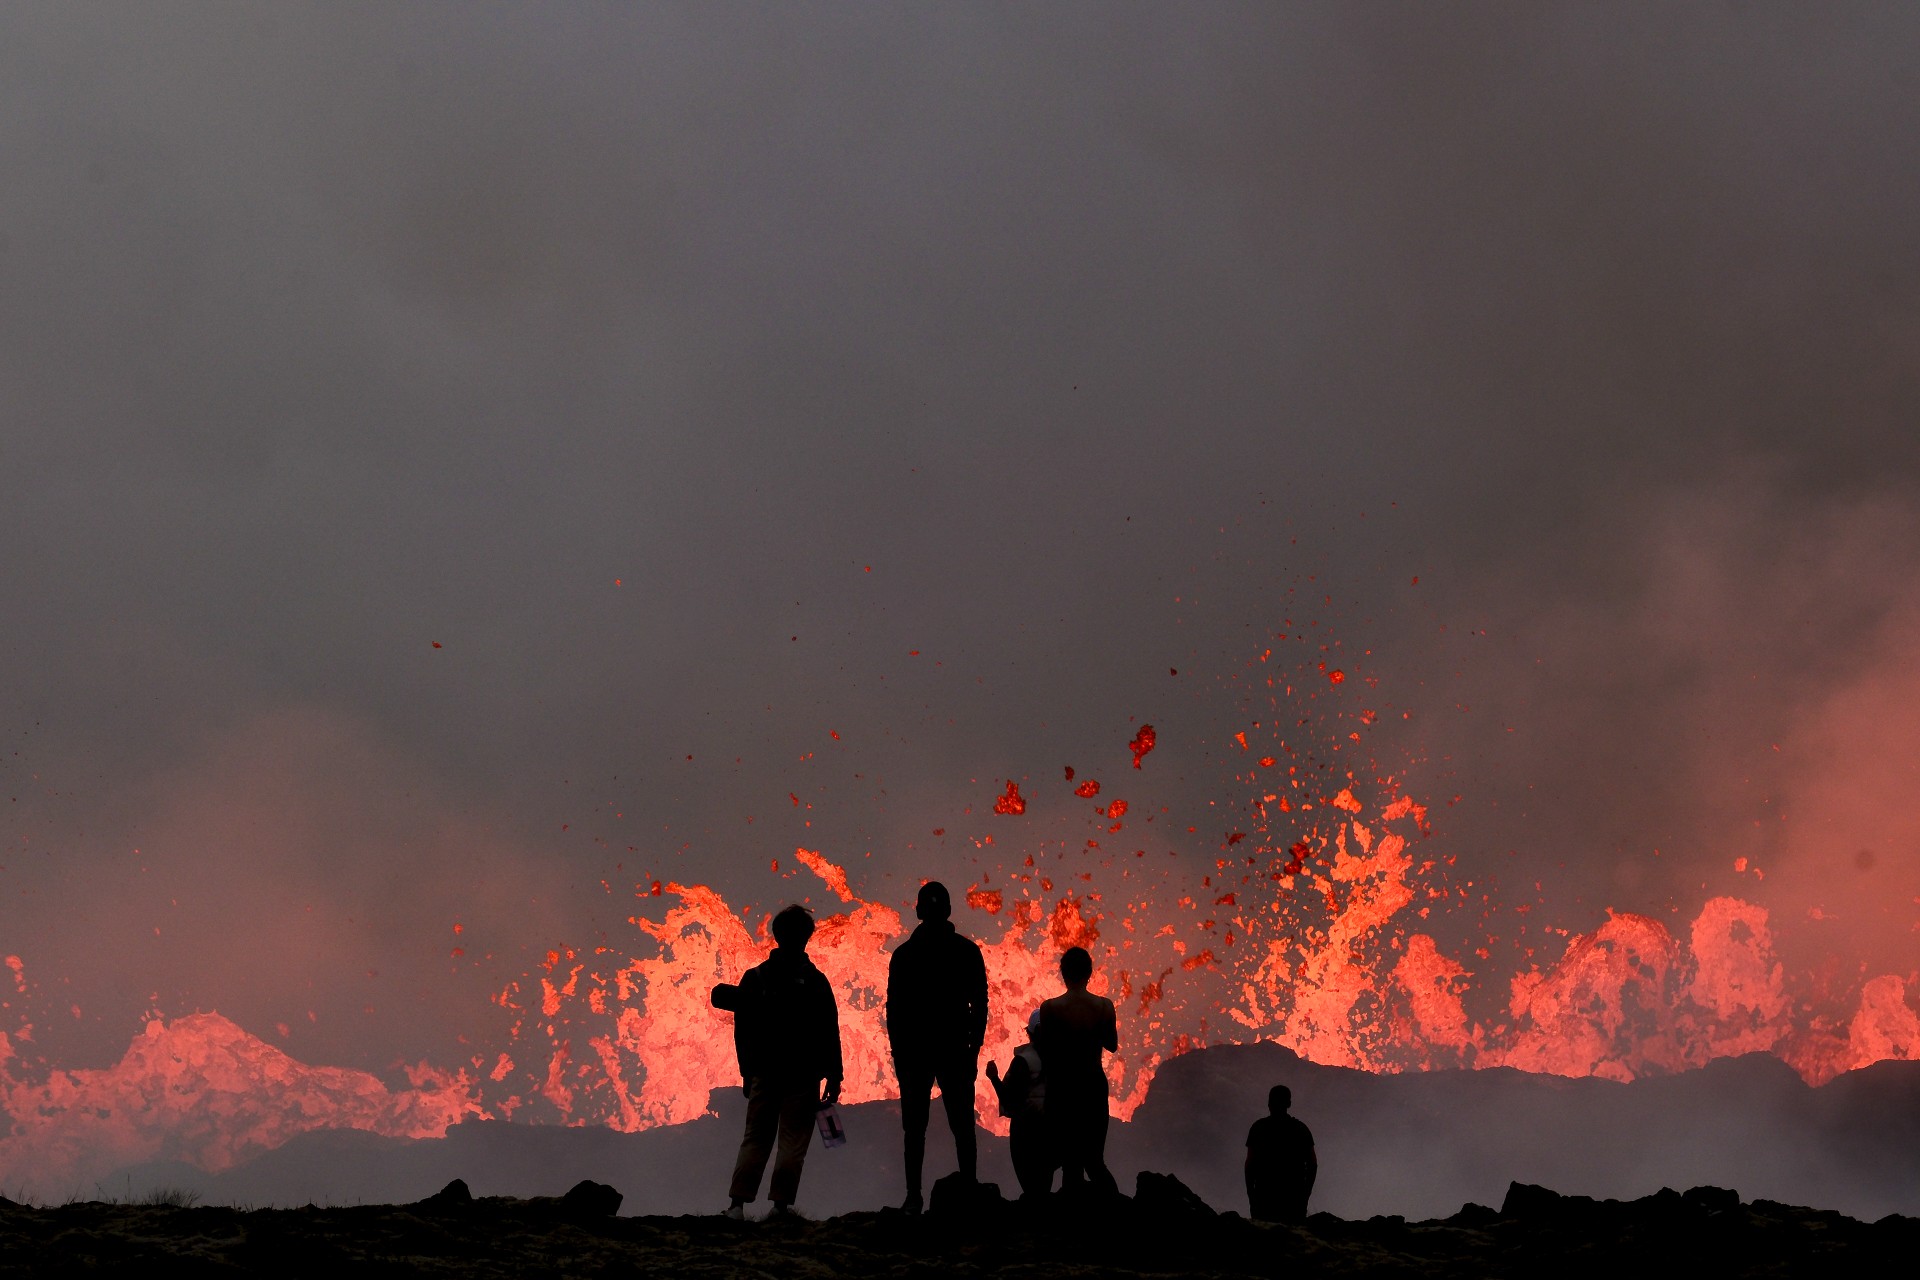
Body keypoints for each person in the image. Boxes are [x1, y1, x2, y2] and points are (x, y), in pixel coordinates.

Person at [723, 904, 843, 1219]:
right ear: (806, 937)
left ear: (777, 936)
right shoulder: (817, 982)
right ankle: (779, 1207)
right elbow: (829, 1030)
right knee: (793, 1141)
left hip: (764, 1071)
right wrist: (834, 1076)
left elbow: (743, 1032)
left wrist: (747, 1073)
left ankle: (737, 1205)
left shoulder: (756, 977)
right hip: (804, 1077)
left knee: (756, 1138)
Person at [885, 880, 989, 1214]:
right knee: (962, 1126)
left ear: (917, 911)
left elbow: (895, 1011)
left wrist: (899, 1054)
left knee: (914, 1129)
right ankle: (969, 1189)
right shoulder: (967, 951)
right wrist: (973, 1049)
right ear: (947, 911)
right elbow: (980, 1005)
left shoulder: (903, 956)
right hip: (955, 1050)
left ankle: (913, 1196)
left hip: (916, 1053)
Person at [1035, 945, 1118, 1196]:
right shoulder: (1104, 1006)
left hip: (1063, 1089)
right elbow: (1111, 1045)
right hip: (1093, 1086)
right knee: (1094, 1160)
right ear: (1089, 973)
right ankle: (1115, 1210)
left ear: (1063, 973)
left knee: (1069, 1160)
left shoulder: (1049, 1009)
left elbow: (1047, 1053)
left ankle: (1066, 1220)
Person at [986, 1008, 1055, 1198]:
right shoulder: (1061, 1059)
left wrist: (994, 1078)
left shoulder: (1023, 1062)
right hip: (1053, 1129)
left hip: (1026, 1131)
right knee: (1044, 1181)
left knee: (1030, 1184)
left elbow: (1010, 1101)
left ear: (1029, 1033)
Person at [1245, 1084, 1316, 1223]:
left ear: (1269, 1103)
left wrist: (1251, 1195)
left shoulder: (1258, 1128)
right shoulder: (1300, 1129)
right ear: (1289, 1103)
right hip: (1293, 1198)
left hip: (1264, 1197)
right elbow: (1313, 1164)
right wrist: (1305, 1194)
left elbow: (1249, 1165)